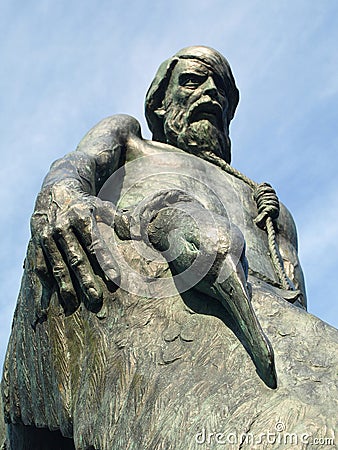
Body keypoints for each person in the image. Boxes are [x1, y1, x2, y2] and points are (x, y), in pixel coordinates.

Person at [2, 47, 336, 450]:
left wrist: (275, 225)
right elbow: (75, 166)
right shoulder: (133, 141)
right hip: (148, 283)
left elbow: (294, 301)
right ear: (160, 103)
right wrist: (62, 194)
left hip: (260, 315)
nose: (211, 94)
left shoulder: (265, 205)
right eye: (194, 82)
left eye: (221, 93)